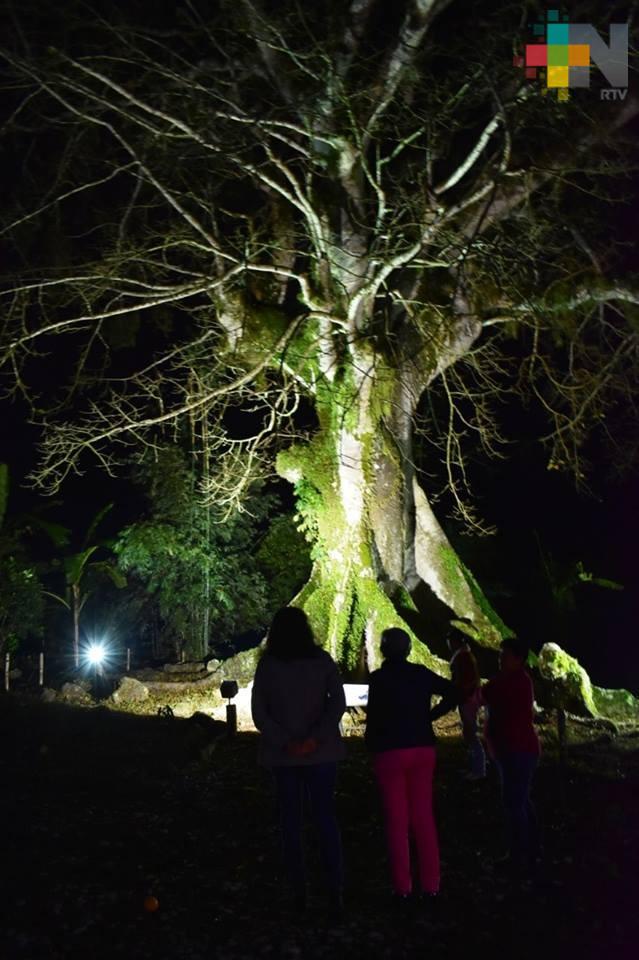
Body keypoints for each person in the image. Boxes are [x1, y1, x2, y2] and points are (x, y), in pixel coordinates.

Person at [251, 606, 346, 916]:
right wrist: (315, 738)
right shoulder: (322, 662)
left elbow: (259, 713)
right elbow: (337, 704)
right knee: (325, 818)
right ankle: (335, 890)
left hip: (284, 757)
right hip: (321, 754)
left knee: (290, 823)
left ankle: (299, 892)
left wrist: (286, 742)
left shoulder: (268, 666)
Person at [364, 627, 457, 904]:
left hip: (390, 751)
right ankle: (431, 884)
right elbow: (453, 691)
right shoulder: (420, 674)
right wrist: (430, 716)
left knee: (396, 821)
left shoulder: (379, 679)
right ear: (408, 650)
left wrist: (372, 744)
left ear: (383, 650)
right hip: (421, 748)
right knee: (423, 817)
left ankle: (402, 887)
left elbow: (375, 716)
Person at [481, 636, 541, 879]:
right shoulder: (513, 680)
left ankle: (520, 854)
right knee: (521, 799)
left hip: (518, 749)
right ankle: (531, 847)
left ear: (518, 659)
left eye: (504, 655)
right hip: (514, 749)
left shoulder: (515, 682)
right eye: (500, 655)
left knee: (514, 802)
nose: (500, 659)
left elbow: (484, 693)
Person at [447, 625, 485, 780]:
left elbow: (467, 679)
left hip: (468, 698)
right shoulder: (464, 654)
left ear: (454, 641)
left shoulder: (463, 656)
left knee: (471, 733)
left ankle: (479, 770)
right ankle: (474, 767)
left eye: (449, 641)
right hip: (467, 697)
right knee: (468, 733)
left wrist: (461, 694)